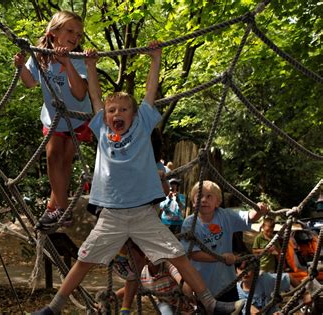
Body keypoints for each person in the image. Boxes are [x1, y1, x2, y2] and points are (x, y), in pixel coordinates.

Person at [32, 42, 245, 315]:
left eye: (123, 110)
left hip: (144, 213)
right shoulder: (101, 128)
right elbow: (95, 97)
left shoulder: (142, 125)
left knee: (178, 256)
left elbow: (149, 94)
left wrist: (155, 59)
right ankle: (53, 308)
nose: (116, 114)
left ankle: (212, 304)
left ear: (134, 115)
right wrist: (90, 67)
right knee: (84, 260)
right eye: (112, 111)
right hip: (111, 215)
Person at [14, 11, 92, 231]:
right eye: (70, 31)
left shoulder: (77, 59)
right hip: (54, 118)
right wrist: (20, 68)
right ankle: (63, 210)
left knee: (64, 164)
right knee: (52, 157)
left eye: (79, 34)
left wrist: (67, 65)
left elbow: (79, 93)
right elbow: (30, 83)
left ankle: (53, 206)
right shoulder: (40, 55)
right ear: (53, 32)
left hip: (77, 119)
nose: (75, 37)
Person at [180, 180, 269, 302]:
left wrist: (258, 211)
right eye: (199, 195)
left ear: (218, 202)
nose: (204, 199)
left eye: (209, 196)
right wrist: (221, 257)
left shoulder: (225, 216)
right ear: (193, 201)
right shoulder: (189, 223)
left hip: (227, 283)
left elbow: (248, 217)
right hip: (203, 285)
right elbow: (193, 253)